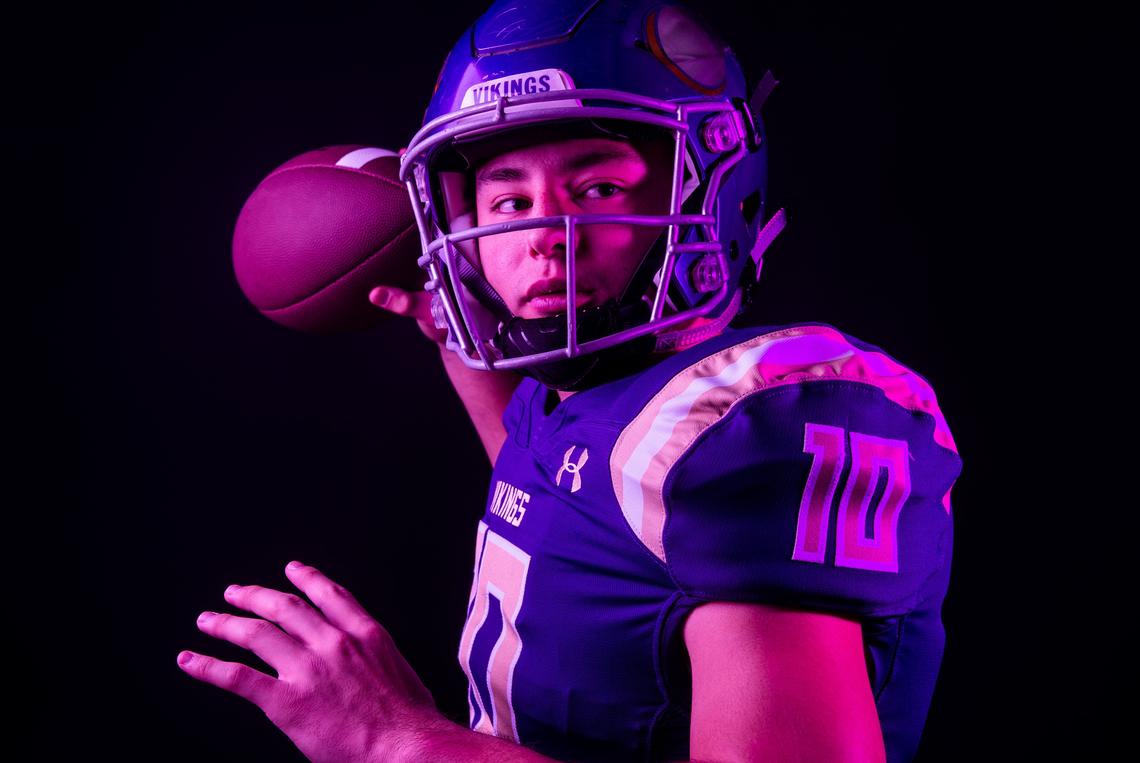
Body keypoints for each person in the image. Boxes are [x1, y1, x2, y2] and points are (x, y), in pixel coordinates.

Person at [178, 2, 962, 761]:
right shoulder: (572, 407)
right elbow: (580, 526)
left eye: (597, 191)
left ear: (708, 194)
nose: (544, 237)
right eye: (510, 201)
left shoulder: (744, 429)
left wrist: (399, 739)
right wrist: (458, 337)